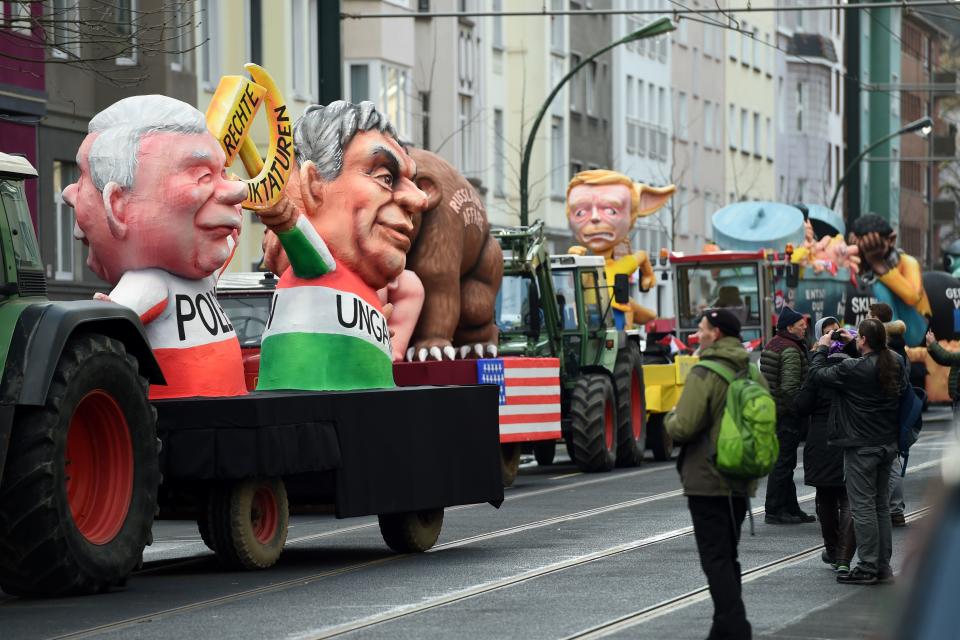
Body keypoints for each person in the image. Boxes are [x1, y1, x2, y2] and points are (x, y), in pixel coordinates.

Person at [66, 95, 248, 399]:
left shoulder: (202, 276)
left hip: (229, 420)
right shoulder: (148, 284)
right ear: (117, 205)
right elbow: (101, 341)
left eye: (223, 175)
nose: (237, 188)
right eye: (203, 176)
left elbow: (230, 242)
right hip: (184, 425)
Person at [254, 101, 429, 391]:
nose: (419, 199)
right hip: (312, 421)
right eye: (386, 177)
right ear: (313, 185)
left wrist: (367, 324)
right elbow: (293, 231)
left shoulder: (364, 292)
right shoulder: (315, 266)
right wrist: (283, 217)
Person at [666, 308, 762, 640]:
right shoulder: (752, 371)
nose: (698, 333)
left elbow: (684, 426)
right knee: (728, 555)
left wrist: (670, 418)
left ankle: (736, 627)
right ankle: (723, 628)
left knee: (715, 558)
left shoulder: (704, 372)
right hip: (742, 476)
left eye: (703, 328)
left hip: (707, 480)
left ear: (717, 334)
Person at [809, 318, 908, 585]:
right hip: (887, 444)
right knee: (879, 507)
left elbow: (818, 374)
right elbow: (876, 361)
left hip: (861, 446)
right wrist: (855, 343)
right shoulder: (895, 361)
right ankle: (882, 565)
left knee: (862, 506)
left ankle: (867, 565)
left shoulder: (854, 368)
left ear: (863, 340)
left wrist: (821, 348)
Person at [795, 316, 857, 575]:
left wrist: (818, 353)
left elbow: (800, 406)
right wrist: (852, 345)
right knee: (848, 499)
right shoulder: (857, 368)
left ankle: (832, 550)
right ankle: (843, 556)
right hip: (850, 439)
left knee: (826, 499)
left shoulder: (818, 374)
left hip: (821, 441)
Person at [761, 306, 816, 524]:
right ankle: (774, 510)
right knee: (783, 463)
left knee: (784, 461)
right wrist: (799, 411)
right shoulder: (791, 350)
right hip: (786, 415)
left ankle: (791, 507)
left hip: (773, 411)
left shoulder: (774, 343)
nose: (805, 329)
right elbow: (790, 388)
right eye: (801, 326)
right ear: (789, 327)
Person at [867, 302, 909, 527]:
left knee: (889, 463)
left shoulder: (883, 344)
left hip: (883, 411)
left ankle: (891, 508)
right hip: (892, 410)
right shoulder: (899, 342)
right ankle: (894, 508)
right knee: (892, 462)